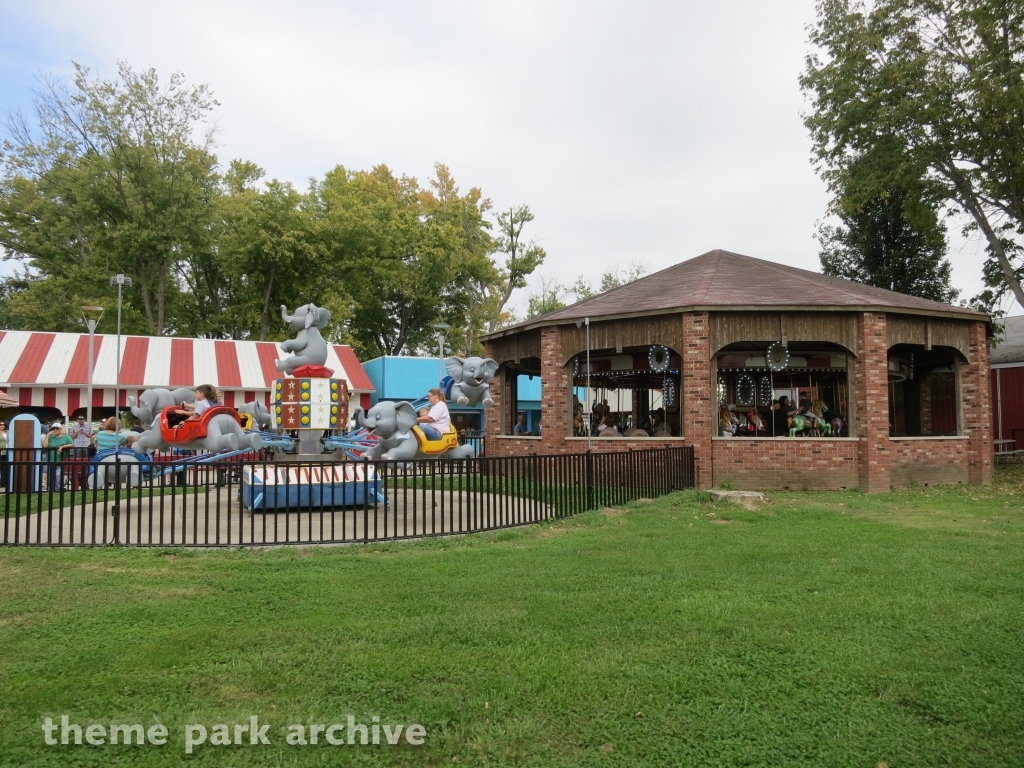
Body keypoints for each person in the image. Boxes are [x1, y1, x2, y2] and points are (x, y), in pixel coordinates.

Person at [43, 422, 74, 489]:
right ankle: (52, 488)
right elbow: (45, 446)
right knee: (51, 475)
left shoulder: (66, 437)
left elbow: (72, 444)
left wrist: (62, 447)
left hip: (59, 460)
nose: (55, 430)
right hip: (49, 459)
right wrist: (47, 435)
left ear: (60, 429)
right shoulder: (50, 437)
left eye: (57, 428)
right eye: (53, 428)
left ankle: (57, 488)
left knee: (57, 475)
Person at [0, 420, 7, 491]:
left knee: (5, 468)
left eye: (3, 424)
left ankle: (3, 482)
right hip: (1, 451)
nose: (2, 426)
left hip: (7, 451)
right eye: (0, 424)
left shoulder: (7, 432)